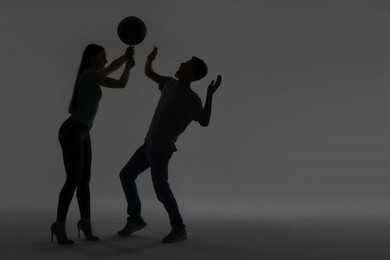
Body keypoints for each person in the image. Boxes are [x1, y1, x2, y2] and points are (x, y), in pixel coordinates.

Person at [118, 46, 222, 243]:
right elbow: (149, 72)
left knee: (161, 190)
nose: (181, 64)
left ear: (192, 74)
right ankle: (135, 219)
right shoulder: (168, 83)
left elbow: (205, 120)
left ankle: (179, 228)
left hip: (160, 151)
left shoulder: (192, 99)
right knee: (126, 175)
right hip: (147, 146)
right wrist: (149, 60)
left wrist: (210, 94)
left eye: (186, 65)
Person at [51, 44, 135, 244]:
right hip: (72, 130)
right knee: (73, 179)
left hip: (83, 132)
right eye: (102, 56)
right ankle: (59, 225)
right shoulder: (88, 76)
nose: (105, 60)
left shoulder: (92, 74)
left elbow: (112, 67)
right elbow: (121, 83)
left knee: (84, 179)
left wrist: (124, 56)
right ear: (91, 58)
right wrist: (129, 67)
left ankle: (85, 224)